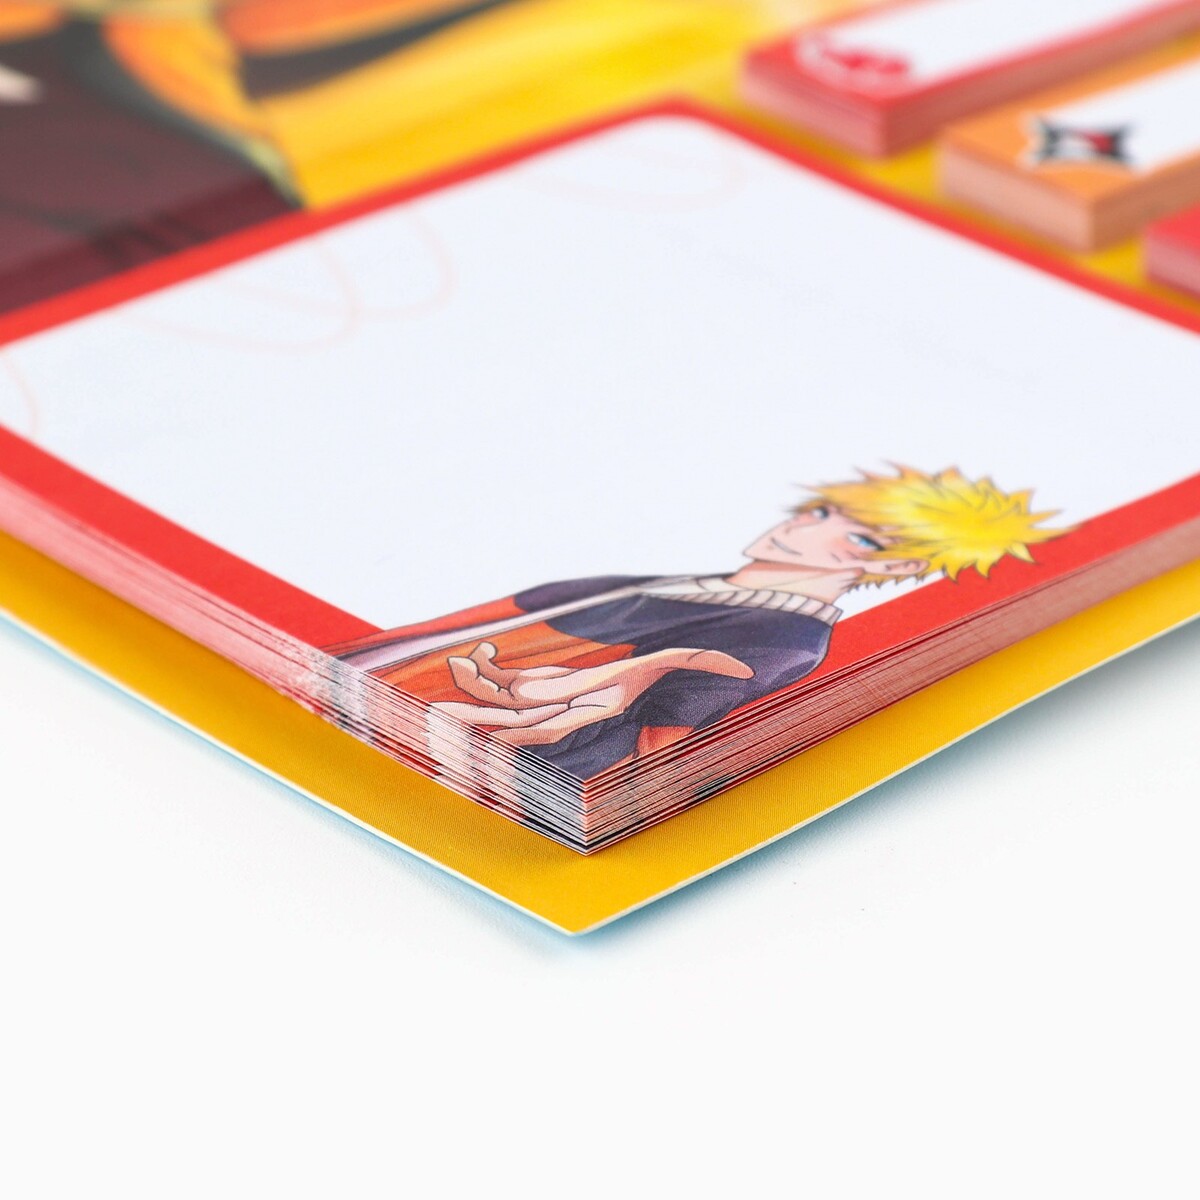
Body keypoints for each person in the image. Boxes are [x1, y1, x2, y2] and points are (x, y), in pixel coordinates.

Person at [327, 466, 1064, 779]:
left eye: (862, 538)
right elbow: (411, 640)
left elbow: (652, 761)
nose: (803, 528)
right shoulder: (647, 581)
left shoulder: (780, 637)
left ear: (900, 567)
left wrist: (644, 676)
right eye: (820, 510)